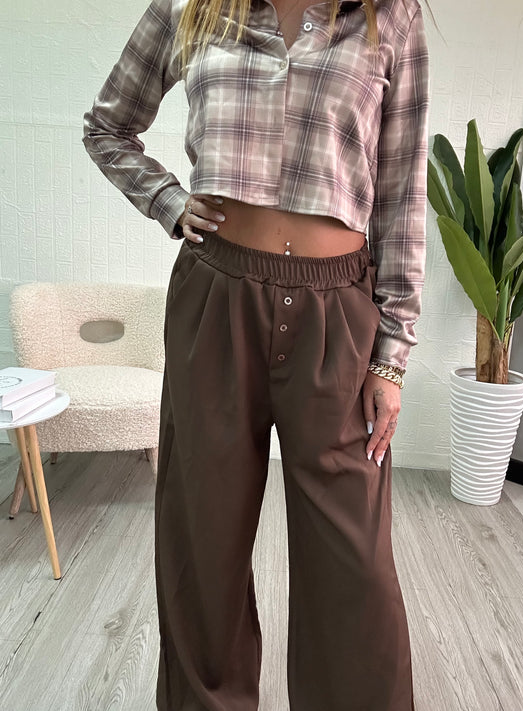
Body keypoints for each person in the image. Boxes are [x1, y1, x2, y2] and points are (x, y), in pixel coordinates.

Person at [83, 0, 430, 708]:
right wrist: (167, 200)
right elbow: (108, 125)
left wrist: (391, 354)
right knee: (202, 541)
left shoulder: (389, 15)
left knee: (354, 561)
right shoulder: (189, 7)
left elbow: (402, 191)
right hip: (216, 300)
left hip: (338, 314)